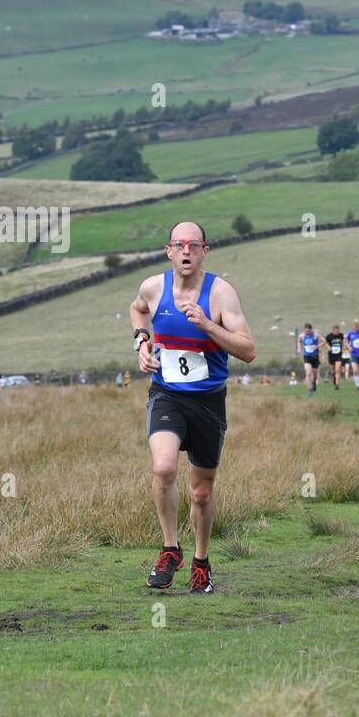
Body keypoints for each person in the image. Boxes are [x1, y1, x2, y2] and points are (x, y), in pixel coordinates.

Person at [130, 220, 256, 594]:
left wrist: (207, 325)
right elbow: (137, 310)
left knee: (201, 492)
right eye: (179, 245)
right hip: (167, 394)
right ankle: (171, 549)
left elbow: (248, 350)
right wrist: (141, 341)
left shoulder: (221, 294)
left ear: (204, 251)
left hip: (208, 402)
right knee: (163, 466)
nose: (186, 251)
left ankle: (201, 561)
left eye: (194, 245)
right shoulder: (153, 288)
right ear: (168, 251)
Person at [298, 323, 323, 396]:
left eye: (308, 331)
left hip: (315, 357)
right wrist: (299, 348)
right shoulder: (302, 336)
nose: (307, 332)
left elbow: (324, 341)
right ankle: (310, 390)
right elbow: (298, 341)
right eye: (306, 331)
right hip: (307, 356)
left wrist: (318, 346)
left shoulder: (315, 335)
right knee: (308, 373)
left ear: (311, 330)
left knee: (315, 375)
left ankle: (314, 382)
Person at [326, 323, 346, 390]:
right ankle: (334, 378)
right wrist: (328, 347)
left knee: (338, 369)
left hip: (338, 354)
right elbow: (325, 343)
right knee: (333, 370)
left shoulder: (341, 335)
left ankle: (337, 384)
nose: (336, 332)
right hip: (331, 355)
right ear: (333, 330)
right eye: (335, 331)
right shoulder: (329, 336)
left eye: (337, 331)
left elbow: (344, 342)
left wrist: (343, 347)